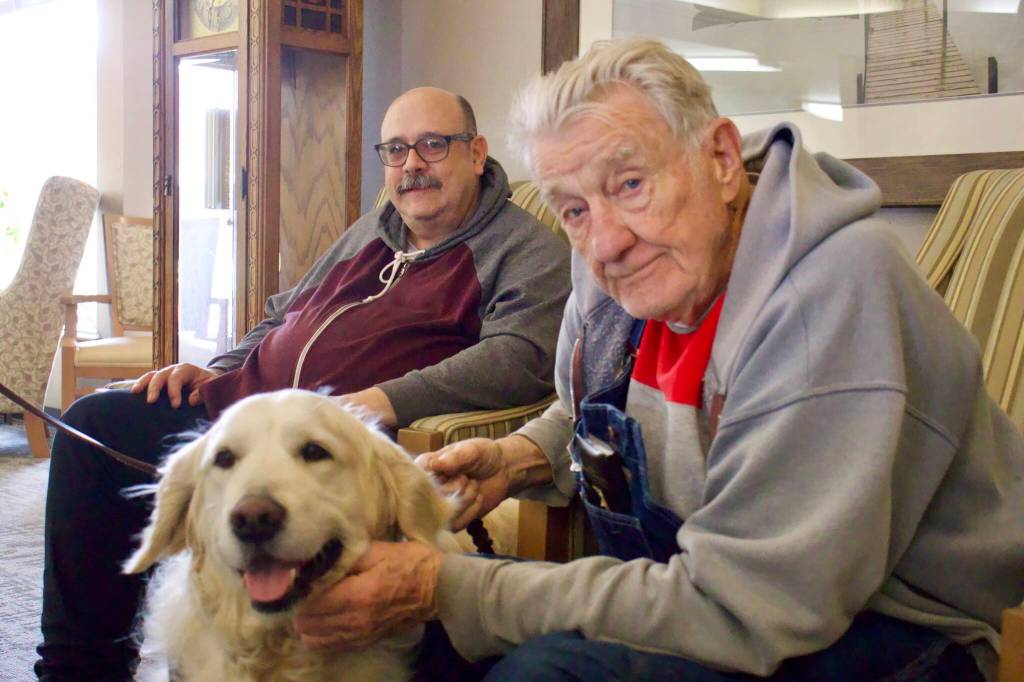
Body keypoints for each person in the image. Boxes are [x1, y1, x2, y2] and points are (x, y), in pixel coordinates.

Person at [290, 41, 1024, 681]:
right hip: (697, 585)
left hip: (895, 628)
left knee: (543, 671)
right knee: (416, 643)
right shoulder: (628, 269)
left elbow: (751, 609)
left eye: (630, 184)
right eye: (572, 208)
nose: (604, 241)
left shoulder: (828, 293)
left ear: (721, 159)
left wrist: (442, 587)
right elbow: (596, 409)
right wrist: (519, 458)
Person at [34, 86, 571, 681]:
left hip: (346, 447)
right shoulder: (372, 230)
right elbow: (282, 313)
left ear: (476, 152)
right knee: (94, 424)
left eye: (432, 145)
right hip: (246, 412)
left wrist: (382, 401)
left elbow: (520, 356)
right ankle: (78, 668)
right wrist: (218, 368)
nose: (412, 164)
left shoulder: (526, 248)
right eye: (395, 150)